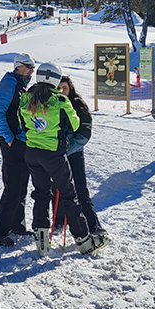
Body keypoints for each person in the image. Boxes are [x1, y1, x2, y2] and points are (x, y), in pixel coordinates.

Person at [19, 62, 106, 256]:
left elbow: (21, 122)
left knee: (41, 194)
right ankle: (83, 239)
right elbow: (74, 124)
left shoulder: (27, 97)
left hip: (32, 152)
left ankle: (41, 242)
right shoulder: (59, 100)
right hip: (53, 153)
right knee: (69, 194)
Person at [0, 53, 35, 247]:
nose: (32, 69)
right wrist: (9, 139)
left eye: (33, 66)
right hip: (12, 142)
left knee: (22, 186)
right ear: (18, 66)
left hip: (20, 140)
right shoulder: (9, 83)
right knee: (12, 187)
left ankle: (17, 225)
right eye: (29, 66)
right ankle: (0, 232)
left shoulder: (20, 83)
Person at [53, 75, 106, 238]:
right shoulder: (52, 103)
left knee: (80, 189)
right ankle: (59, 221)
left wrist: (68, 149)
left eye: (65, 88)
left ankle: (94, 225)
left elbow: (84, 133)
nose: (62, 91)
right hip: (56, 153)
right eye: (59, 88)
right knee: (57, 188)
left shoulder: (77, 104)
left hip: (73, 152)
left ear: (71, 89)